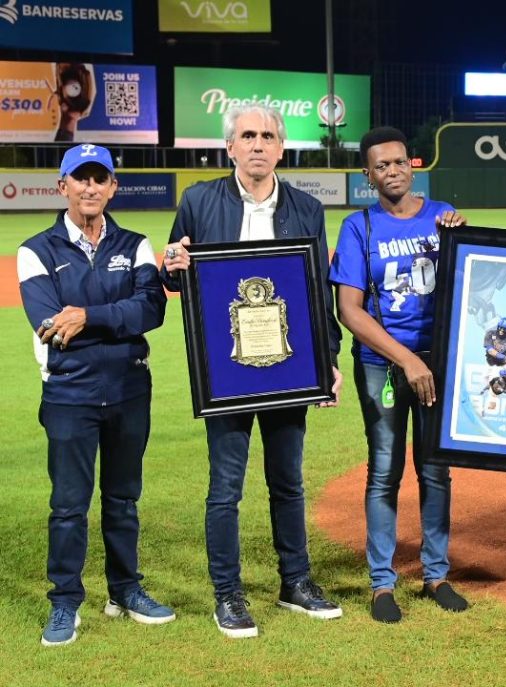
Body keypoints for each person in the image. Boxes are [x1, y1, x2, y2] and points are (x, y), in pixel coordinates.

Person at [161, 104, 343, 639]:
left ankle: (296, 582)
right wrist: (173, 265)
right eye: (248, 135)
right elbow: (176, 280)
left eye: (268, 135)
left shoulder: (307, 208)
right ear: (231, 147)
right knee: (226, 486)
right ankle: (228, 594)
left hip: (289, 369)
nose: (258, 144)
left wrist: (328, 360)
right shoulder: (198, 200)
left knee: (288, 481)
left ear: (281, 148)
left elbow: (317, 294)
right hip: (227, 372)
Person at [18, 144, 173, 646]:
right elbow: (48, 325)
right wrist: (114, 316)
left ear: (113, 187)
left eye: (99, 178)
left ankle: (124, 590)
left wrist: (85, 315)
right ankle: (65, 603)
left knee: (123, 499)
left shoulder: (137, 243)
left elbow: (151, 310)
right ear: (62, 186)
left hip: (130, 390)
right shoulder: (35, 250)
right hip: (70, 394)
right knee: (68, 504)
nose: (89, 187)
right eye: (79, 178)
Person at [330, 126, 469, 624]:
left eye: (398, 162)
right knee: (384, 471)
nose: (391, 171)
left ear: (413, 164)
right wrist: (406, 360)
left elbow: (473, 279)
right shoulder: (358, 228)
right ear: (368, 176)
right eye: (380, 166)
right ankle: (382, 583)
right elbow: (350, 309)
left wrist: (462, 237)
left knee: (435, 468)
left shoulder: (441, 215)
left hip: (437, 362)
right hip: (381, 367)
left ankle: (436, 574)